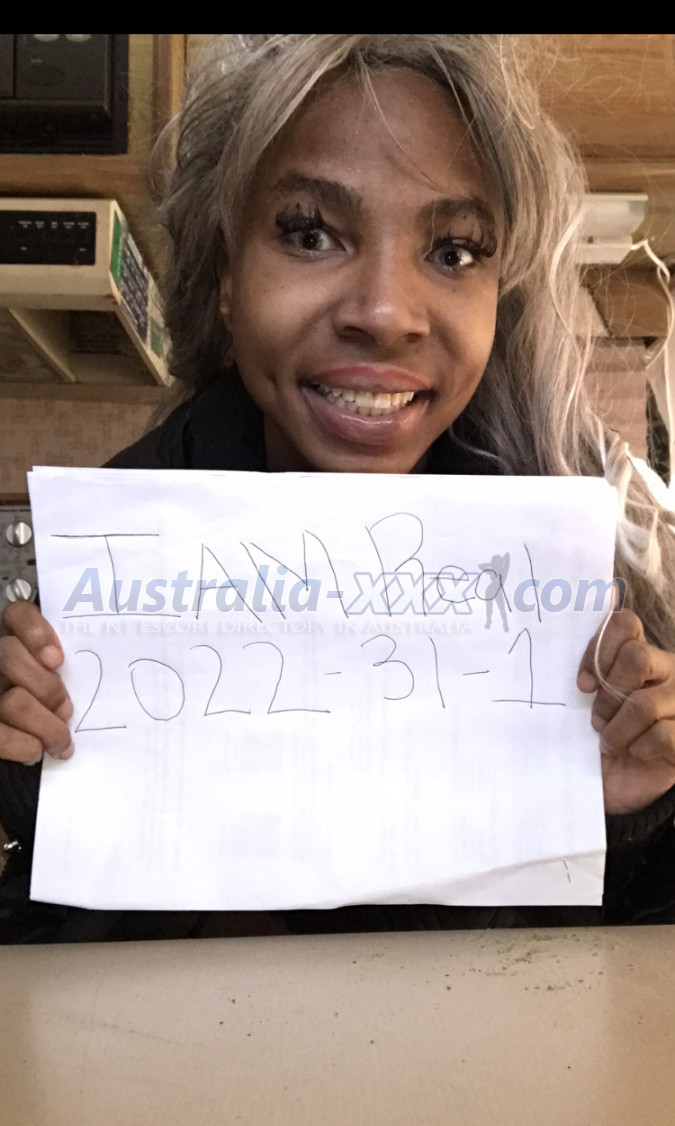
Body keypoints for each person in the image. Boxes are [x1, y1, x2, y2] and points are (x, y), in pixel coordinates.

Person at [1, 34, 675, 941]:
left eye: (454, 250)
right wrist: (25, 765)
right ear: (226, 275)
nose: (386, 313)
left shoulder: (583, 594)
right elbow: (57, 913)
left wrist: (636, 811)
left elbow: (615, 970)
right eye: (309, 233)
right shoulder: (99, 582)